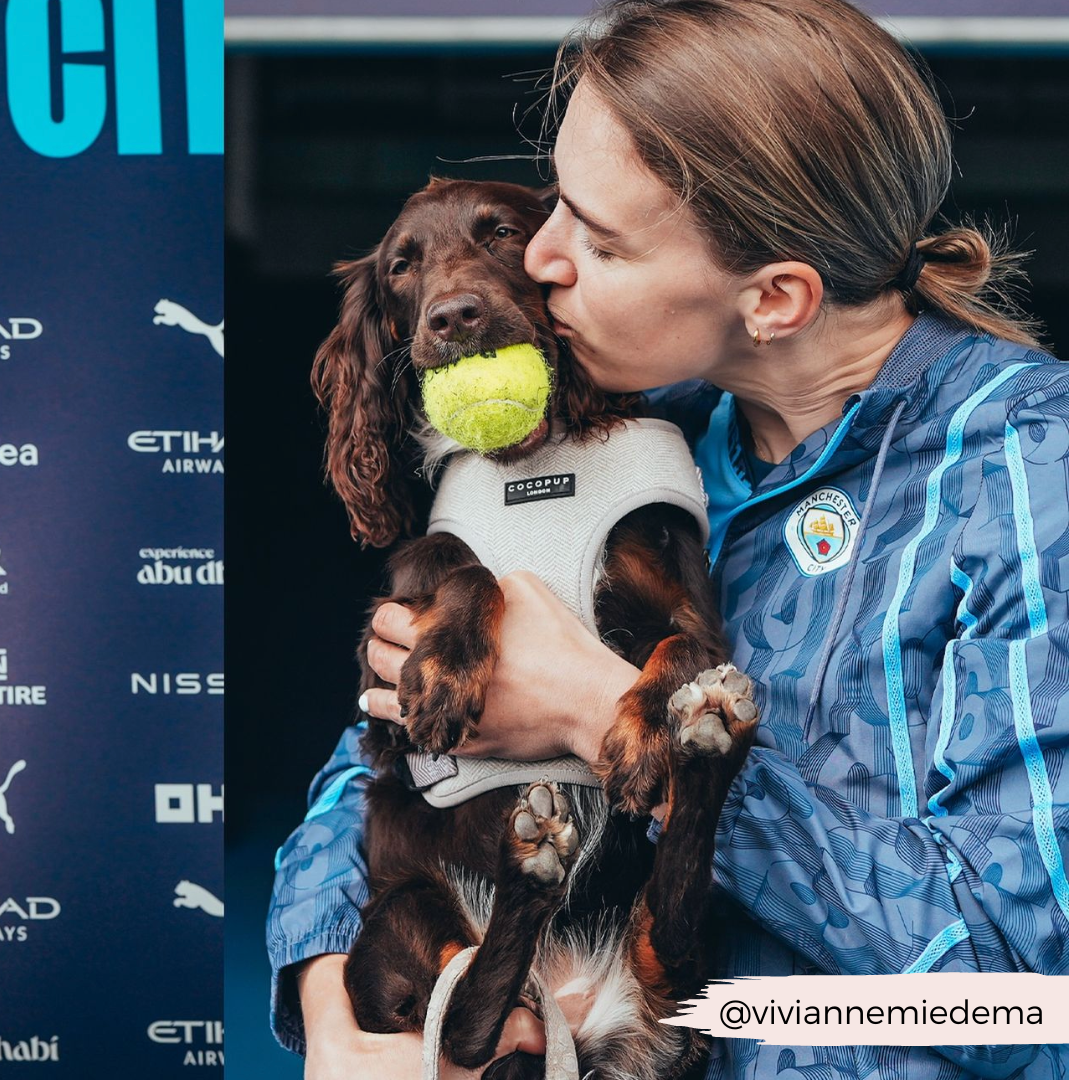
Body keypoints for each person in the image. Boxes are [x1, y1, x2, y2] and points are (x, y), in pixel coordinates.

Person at [267, 1, 1069, 1077]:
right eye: (552, 207)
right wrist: (331, 1000)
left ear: (776, 297)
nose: (542, 261)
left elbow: (1024, 997)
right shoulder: (633, 433)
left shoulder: (1026, 469)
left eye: (597, 239)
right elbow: (378, 753)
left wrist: (597, 711)